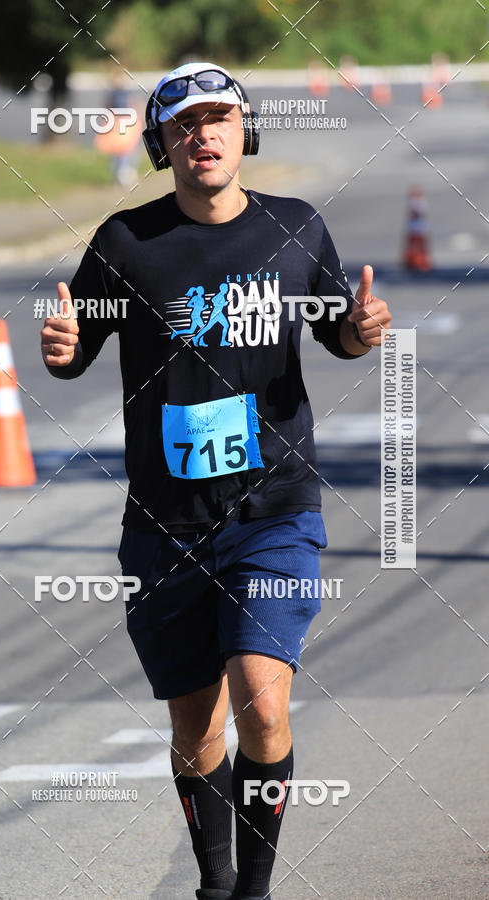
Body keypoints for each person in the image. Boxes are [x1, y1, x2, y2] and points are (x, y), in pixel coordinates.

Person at [40, 61, 391, 900]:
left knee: (263, 708)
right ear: (163, 144)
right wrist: (58, 350)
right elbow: (75, 351)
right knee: (194, 724)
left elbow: (337, 333)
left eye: (218, 120)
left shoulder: (296, 229)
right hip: (163, 524)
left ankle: (256, 891)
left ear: (245, 132)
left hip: (273, 510)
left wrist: (358, 330)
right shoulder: (126, 242)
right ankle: (214, 882)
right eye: (184, 125)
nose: (203, 134)